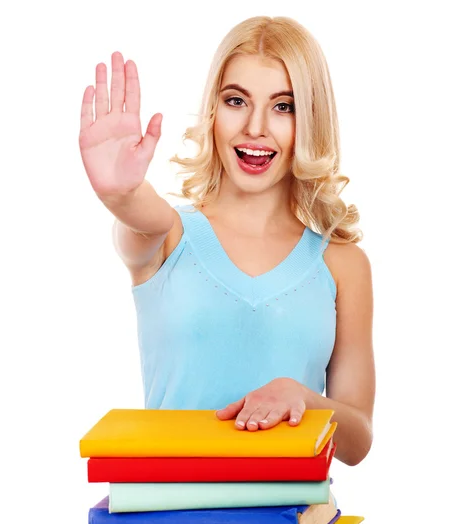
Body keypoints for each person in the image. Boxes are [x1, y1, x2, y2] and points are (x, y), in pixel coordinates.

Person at [78, 16, 375, 467]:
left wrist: (301, 398)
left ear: (310, 119)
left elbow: (357, 441)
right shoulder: (167, 238)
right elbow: (142, 216)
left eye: (283, 106)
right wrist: (121, 193)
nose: (255, 127)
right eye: (237, 101)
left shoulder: (342, 263)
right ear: (213, 112)